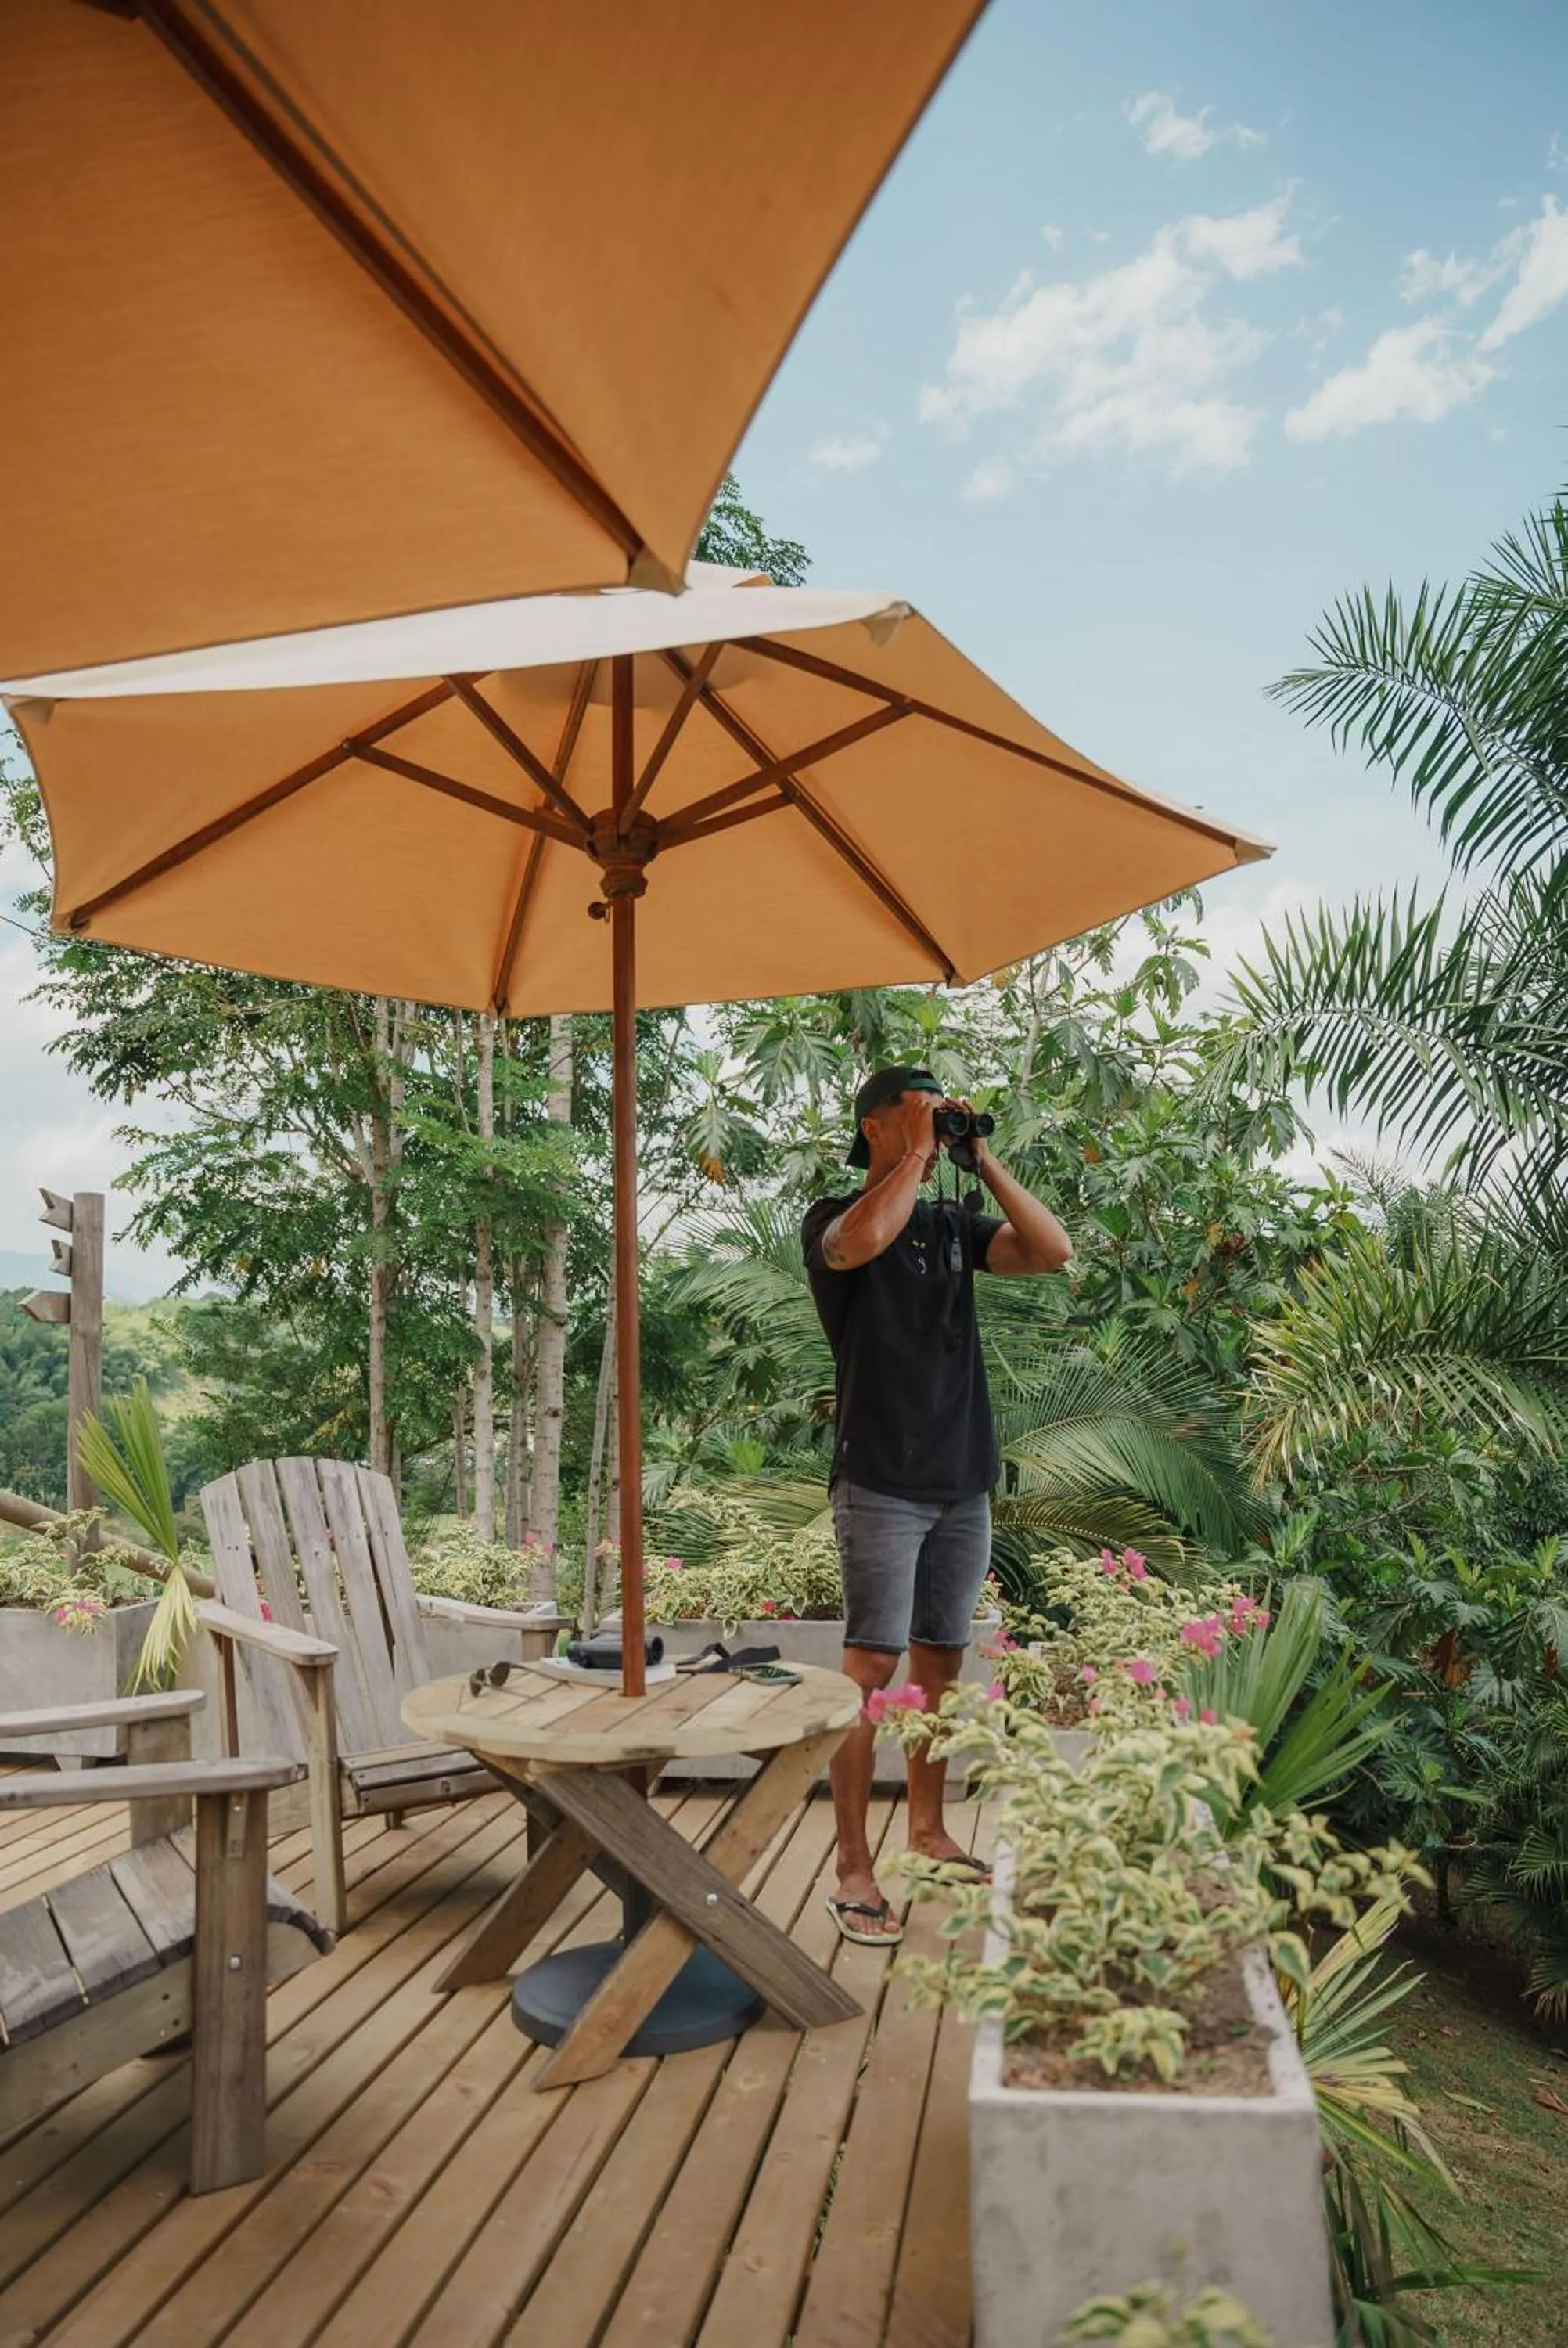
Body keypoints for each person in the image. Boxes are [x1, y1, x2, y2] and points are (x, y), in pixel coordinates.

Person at [800, 1066, 1071, 1945]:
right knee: (870, 1674)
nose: (932, 1126)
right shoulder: (834, 1221)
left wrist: (980, 1156)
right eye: (914, 1112)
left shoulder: (953, 1226)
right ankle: (852, 1866)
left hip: (963, 1482)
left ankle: (925, 1829)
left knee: (941, 1670)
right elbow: (859, 1243)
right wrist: (918, 1153)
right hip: (880, 1479)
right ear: (875, 1125)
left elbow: (1052, 1250)